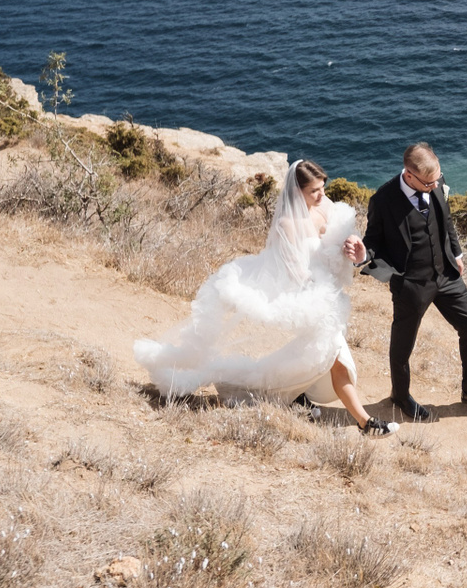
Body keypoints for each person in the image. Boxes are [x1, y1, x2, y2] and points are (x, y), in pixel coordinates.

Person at [134, 159, 397, 435]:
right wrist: (318, 288)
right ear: (297, 192)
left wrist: (354, 252)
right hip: (310, 303)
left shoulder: (326, 207)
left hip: (328, 301)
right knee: (335, 361)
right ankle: (365, 422)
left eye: (323, 187)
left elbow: (342, 250)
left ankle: (289, 396)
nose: (322, 195)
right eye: (314, 191)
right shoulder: (287, 224)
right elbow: (295, 272)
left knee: (316, 363)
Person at [362, 142, 467, 423]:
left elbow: (446, 218)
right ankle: (400, 396)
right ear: (409, 175)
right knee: (403, 345)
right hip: (411, 283)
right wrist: (361, 256)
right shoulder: (383, 200)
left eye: (437, 179)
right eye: (429, 183)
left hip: (446, 274)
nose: (435, 185)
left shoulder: (435, 182)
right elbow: (373, 242)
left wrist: (457, 253)